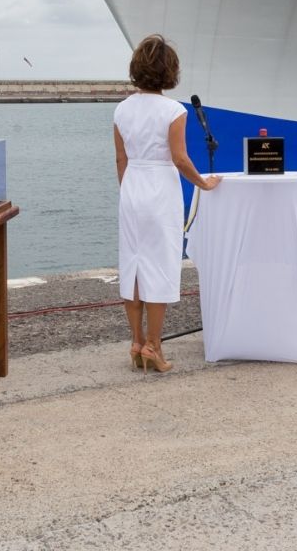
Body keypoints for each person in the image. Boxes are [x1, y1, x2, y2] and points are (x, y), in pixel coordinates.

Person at [113, 35, 221, 372]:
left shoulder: (122, 109)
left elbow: (120, 158)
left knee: (132, 264)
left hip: (131, 188)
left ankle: (135, 340)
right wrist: (204, 182)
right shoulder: (174, 111)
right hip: (160, 191)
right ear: (170, 72)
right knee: (159, 266)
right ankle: (154, 346)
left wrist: (128, 190)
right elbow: (180, 159)